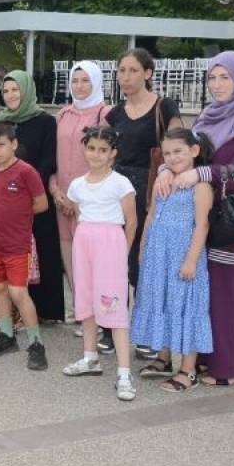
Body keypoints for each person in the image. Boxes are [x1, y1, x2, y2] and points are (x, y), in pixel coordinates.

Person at [154, 51, 234, 386]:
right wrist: (165, 170)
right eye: (213, 78)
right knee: (205, 295)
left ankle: (231, 368)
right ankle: (205, 359)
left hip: (232, 223)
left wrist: (203, 173)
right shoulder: (206, 118)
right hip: (202, 220)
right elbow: (186, 155)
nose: (217, 85)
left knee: (228, 296)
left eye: (225, 78)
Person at [106, 48, 182, 357]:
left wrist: (167, 173)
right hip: (118, 195)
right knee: (115, 261)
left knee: (146, 264)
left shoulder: (164, 108)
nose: (126, 77)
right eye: (122, 70)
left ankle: (148, 333)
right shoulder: (114, 114)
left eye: (133, 70)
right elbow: (105, 155)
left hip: (153, 194)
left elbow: (180, 149)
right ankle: (112, 326)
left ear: (148, 73)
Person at [132, 128, 214, 393]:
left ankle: (188, 370)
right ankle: (163, 357)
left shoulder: (200, 186)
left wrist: (191, 260)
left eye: (178, 151)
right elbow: (151, 215)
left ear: (194, 151)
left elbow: (202, 226)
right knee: (161, 301)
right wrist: (143, 247)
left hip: (183, 257)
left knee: (185, 307)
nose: (173, 157)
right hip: (158, 255)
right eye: (167, 153)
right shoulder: (163, 180)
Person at [61, 126, 138, 401]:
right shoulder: (77, 185)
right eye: (91, 148)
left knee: (113, 305)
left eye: (103, 150)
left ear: (113, 153)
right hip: (84, 243)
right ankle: (90, 357)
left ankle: (124, 373)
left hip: (111, 246)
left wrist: (122, 252)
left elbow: (131, 221)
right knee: (86, 300)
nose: (96, 154)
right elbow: (78, 213)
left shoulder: (121, 183)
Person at [0, 71, 64, 323]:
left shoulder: (45, 121)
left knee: (39, 253)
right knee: (5, 259)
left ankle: (40, 312)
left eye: (15, 89)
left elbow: (49, 160)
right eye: (6, 90)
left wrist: (24, 188)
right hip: (4, 205)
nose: (10, 95)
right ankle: (5, 313)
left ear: (27, 90)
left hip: (34, 199)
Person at [0, 122, 49, 371]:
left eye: (1, 145)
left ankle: (36, 344)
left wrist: (18, 215)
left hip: (17, 244)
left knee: (18, 292)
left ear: (14, 144)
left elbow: (41, 204)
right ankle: (7, 336)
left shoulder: (26, 172)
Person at [51, 61, 111, 324]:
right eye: (75, 81)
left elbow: (108, 158)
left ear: (96, 82)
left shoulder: (105, 114)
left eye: (86, 80)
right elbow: (54, 157)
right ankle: (79, 307)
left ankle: (95, 314)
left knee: (91, 259)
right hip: (62, 199)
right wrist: (55, 190)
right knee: (69, 255)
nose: (79, 86)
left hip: (91, 201)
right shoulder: (63, 114)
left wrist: (78, 198)